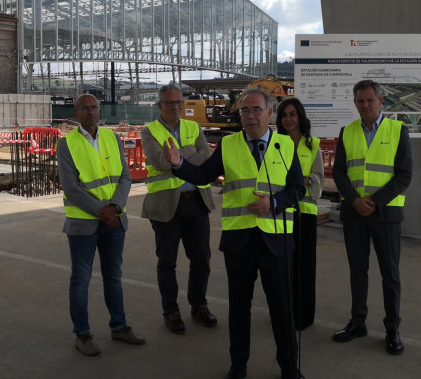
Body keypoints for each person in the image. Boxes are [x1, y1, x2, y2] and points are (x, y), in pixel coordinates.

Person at [162, 88, 306, 379]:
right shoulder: (228, 145)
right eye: (244, 111)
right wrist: (178, 164)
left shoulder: (285, 146)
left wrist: (273, 203)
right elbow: (203, 176)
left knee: (282, 309)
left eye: (255, 110)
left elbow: (298, 190)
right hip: (240, 242)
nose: (250, 116)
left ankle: (289, 368)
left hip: (276, 240)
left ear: (269, 113)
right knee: (239, 309)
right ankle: (238, 366)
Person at [56, 94, 145, 356]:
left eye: (94, 107)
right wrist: (102, 211)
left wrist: (115, 208)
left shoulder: (112, 138)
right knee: (81, 279)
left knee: (113, 276)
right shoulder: (67, 144)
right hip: (84, 224)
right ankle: (82, 334)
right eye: (85, 108)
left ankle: (119, 326)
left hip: (115, 220)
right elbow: (71, 188)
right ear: (75, 114)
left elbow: (125, 176)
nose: (91, 111)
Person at [331, 80, 412, 355]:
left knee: (390, 274)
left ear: (381, 100)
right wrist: (355, 200)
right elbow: (339, 172)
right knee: (358, 271)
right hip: (355, 214)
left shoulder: (398, 130)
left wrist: (374, 202)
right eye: (360, 101)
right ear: (355, 103)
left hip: (385, 214)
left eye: (370, 100)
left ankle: (392, 330)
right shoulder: (347, 132)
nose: (365, 105)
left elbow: (404, 175)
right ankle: (357, 323)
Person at [140, 83, 217, 334]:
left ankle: (199, 305)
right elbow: (160, 162)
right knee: (167, 263)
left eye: (179, 102)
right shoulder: (149, 131)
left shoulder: (194, 126)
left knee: (202, 260)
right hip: (165, 206)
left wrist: (178, 157)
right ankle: (170, 311)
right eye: (170, 103)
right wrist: (189, 152)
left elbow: (205, 156)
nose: (176, 107)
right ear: (159, 105)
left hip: (196, 201)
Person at [276, 98, 324, 330]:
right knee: (283, 268)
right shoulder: (275, 143)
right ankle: (284, 313)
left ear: (300, 117)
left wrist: (298, 181)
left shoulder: (312, 145)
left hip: (304, 214)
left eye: (292, 114)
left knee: (305, 267)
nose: (288, 119)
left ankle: (304, 316)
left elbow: (318, 181)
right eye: (284, 115)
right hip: (280, 214)